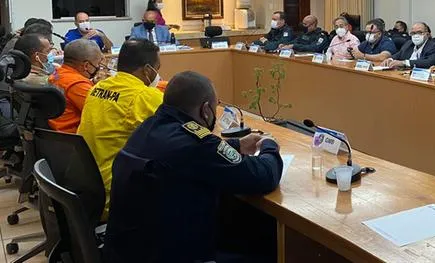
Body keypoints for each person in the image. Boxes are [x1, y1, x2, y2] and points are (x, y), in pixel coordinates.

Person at [105, 71, 282, 263]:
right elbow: (263, 176)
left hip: (128, 251)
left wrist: (237, 145)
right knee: (269, 249)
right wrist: (269, 146)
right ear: (206, 110)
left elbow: (193, 156)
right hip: (173, 255)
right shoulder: (195, 142)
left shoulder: (149, 126)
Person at [77, 38, 164, 219]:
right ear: (148, 69)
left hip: (86, 188)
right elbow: (181, 131)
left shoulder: (98, 87)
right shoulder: (144, 96)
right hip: (117, 194)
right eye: (158, 68)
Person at [48, 40, 103, 133]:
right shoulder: (77, 84)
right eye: (97, 64)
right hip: (73, 136)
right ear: (86, 65)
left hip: (55, 131)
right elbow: (100, 114)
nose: (98, 67)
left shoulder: (57, 72)